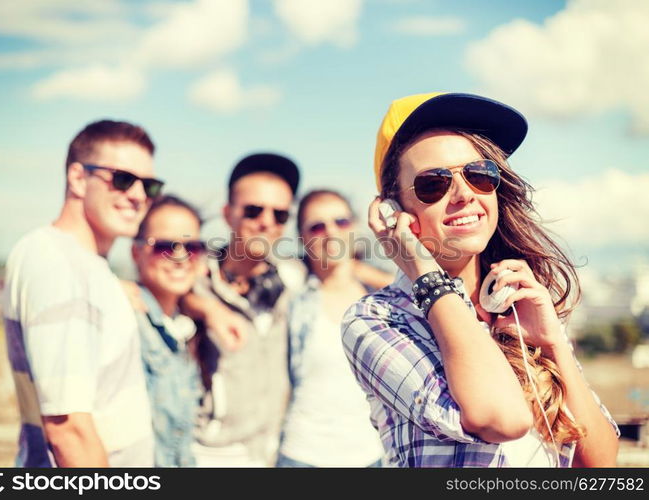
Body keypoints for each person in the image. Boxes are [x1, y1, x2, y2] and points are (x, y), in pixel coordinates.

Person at [342, 92, 620, 467]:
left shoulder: (519, 302)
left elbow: (600, 465)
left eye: (480, 174)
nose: (464, 195)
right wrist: (425, 272)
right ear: (392, 210)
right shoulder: (375, 319)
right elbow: (502, 418)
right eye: (433, 184)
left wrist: (552, 341)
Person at [3, 120, 162, 467]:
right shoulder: (57, 263)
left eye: (149, 185)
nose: (137, 195)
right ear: (77, 178)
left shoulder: (85, 266)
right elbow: (67, 430)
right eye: (122, 179)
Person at [185, 153, 306, 467]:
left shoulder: (294, 280)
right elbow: (145, 292)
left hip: (275, 453)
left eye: (280, 215)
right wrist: (206, 307)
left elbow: (345, 271)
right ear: (228, 214)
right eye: (253, 210)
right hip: (213, 455)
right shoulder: (194, 278)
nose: (266, 221)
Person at [277, 190, 384, 467]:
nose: (331, 232)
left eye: (341, 221)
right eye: (317, 226)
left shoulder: (382, 299)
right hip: (301, 455)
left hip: (370, 456)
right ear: (302, 237)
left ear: (355, 226)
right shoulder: (291, 290)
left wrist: (363, 272)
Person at [131, 195, 206, 467]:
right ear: (136, 253)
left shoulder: (186, 328)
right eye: (165, 246)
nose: (180, 257)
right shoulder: (126, 321)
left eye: (193, 247)